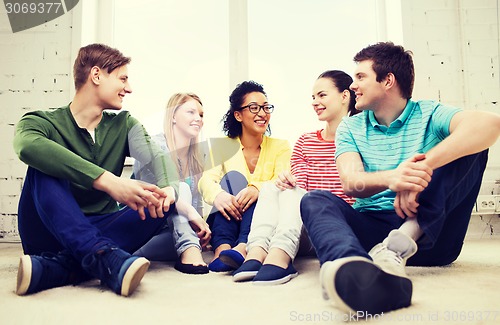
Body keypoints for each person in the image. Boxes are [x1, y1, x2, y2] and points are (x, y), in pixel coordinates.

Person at [300, 41, 500, 315]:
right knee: (314, 200)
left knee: (471, 147)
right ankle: (354, 269)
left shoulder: (429, 112)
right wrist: (394, 178)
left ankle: (398, 246)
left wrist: (421, 169)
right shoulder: (351, 126)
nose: (353, 86)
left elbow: (489, 124)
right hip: (370, 233)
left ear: (388, 80)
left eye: (360, 77)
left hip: (429, 235)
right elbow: (351, 182)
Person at [13, 43, 185, 297]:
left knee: (162, 201)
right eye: (122, 79)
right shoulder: (41, 122)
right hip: (45, 231)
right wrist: (107, 181)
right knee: (44, 163)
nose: (129, 88)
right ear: (96, 75)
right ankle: (105, 257)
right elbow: (27, 146)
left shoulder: (125, 124)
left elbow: (157, 157)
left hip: (100, 226)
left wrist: (170, 188)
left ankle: (60, 268)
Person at [232, 70, 358, 285]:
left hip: (336, 225)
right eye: (313, 97)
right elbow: (297, 187)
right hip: (301, 227)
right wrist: (285, 182)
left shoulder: (360, 138)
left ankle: (281, 256)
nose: (315, 102)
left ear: (345, 96)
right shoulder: (305, 141)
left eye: (322, 95)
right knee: (274, 187)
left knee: (295, 193)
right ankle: (257, 252)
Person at [198, 80, 291, 272]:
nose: (262, 113)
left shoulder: (281, 146)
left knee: (260, 192)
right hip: (228, 215)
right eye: (254, 108)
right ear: (238, 115)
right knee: (232, 181)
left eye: (266, 107)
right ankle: (222, 250)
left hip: (263, 220)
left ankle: (242, 247)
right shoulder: (221, 145)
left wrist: (256, 188)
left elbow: (283, 179)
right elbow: (206, 180)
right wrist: (219, 195)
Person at [133, 93, 211, 274]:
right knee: (179, 188)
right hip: (144, 224)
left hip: (172, 231)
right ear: (173, 116)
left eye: (200, 115)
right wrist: (191, 213)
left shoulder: (198, 156)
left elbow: (196, 204)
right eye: (191, 112)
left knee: (193, 233)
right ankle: (189, 249)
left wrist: (199, 230)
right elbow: (156, 196)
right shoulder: (153, 146)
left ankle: (189, 245)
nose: (198, 119)